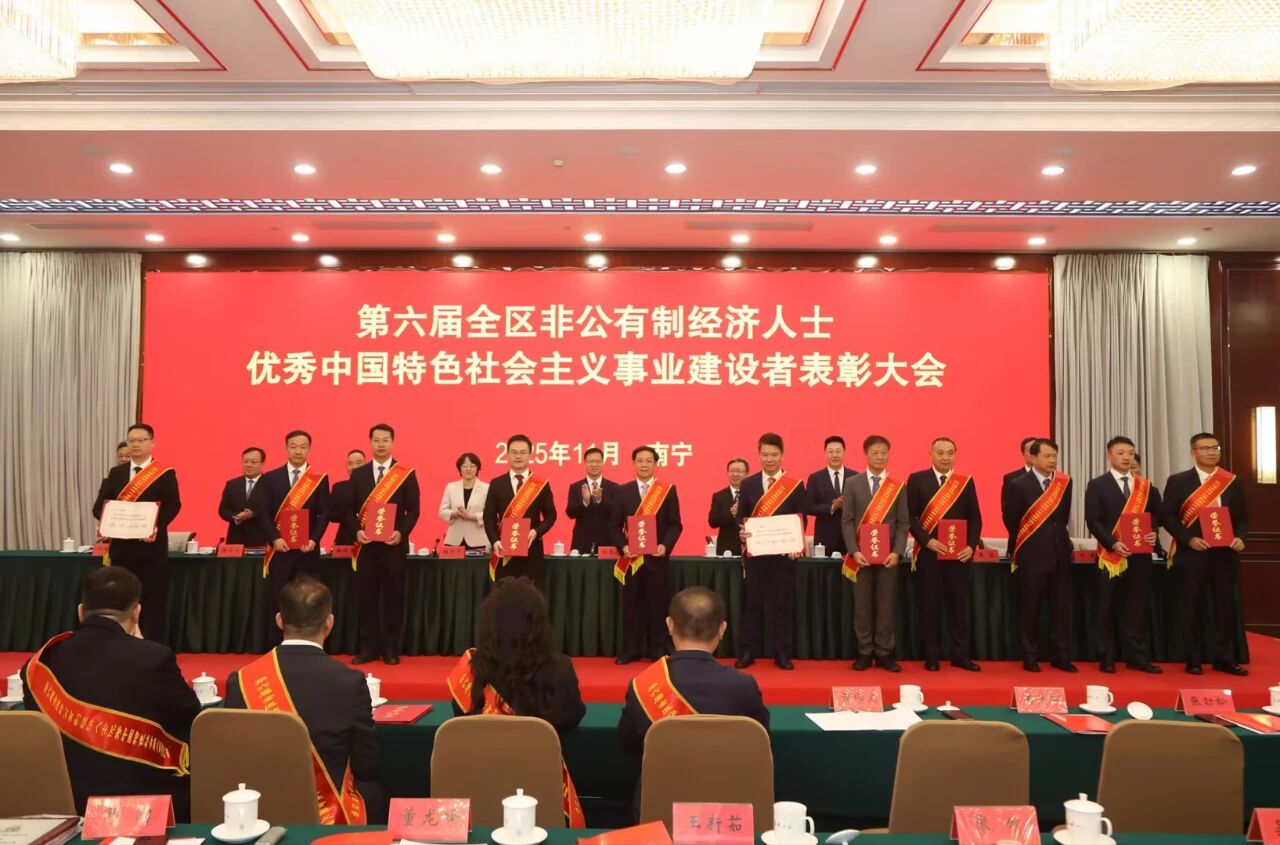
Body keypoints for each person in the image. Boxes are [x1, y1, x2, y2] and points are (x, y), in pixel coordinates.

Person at [22, 568, 200, 818]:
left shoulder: (40, 664)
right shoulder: (153, 657)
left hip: (63, 809)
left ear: (81, 611)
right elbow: (191, 717)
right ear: (136, 612)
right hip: (142, 810)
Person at [225, 577, 381, 824]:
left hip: (260, 806)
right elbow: (367, 763)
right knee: (374, 791)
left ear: (279, 620)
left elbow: (235, 757)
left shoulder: (241, 680)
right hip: (330, 810)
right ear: (330, 622)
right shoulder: (349, 681)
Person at [446, 577, 585, 827]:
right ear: (539, 624)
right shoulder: (560, 669)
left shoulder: (473, 671)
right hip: (544, 793)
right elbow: (572, 717)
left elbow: (461, 718)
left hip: (480, 792)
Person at [617, 586, 769, 756]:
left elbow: (628, 745)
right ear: (722, 629)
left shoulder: (642, 685)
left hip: (664, 773)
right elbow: (761, 742)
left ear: (669, 625)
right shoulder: (744, 686)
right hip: (726, 773)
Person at [1162, 432, 1249, 676]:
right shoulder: (1179, 481)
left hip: (1225, 554)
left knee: (1225, 607)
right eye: (1205, 448)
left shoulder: (1231, 481)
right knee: (1192, 607)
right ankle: (1193, 659)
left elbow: (1242, 517)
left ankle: (1225, 659)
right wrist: (1189, 539)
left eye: (1215, 448)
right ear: (1193, 452)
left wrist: (1240, 537)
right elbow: (1168, 517)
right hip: (1193, 554)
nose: (1211, 452)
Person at [92, 423, 181, 642]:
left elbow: (173, 505)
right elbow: (100, 506)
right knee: (120, 596)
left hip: (151, 548)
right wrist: (106, 523)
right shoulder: (116, 473)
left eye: (141, 440)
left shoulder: (164, 474)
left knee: (152, 597)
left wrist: (155, 526)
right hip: (121, 549)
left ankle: (151, 643)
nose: (136, 444)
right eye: (132, 440)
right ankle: (119, 640)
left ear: (152, 443)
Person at [342, 424, 420, 665]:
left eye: (385, 440)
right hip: (366, 546)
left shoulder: (405, 474)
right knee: (367, 597)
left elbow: (413, 511)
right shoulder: (359, 474)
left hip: (393, 546)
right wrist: (356, 531)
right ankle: (368, 647)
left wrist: (400, 533)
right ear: (370, 442)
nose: (381, 444)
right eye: (376, 440)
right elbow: (348, 510)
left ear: (393, 442)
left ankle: (390, 648)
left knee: (393, 597)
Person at [1085, 436, 1162, 674]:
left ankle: (1137, 656)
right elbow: (1093, 520)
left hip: (1140, 556)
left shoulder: (1146, 487)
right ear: (1109, 456)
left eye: (1130, 453)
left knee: (1136, 607)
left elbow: (1157, 514)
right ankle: (1106, 656)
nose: (1126, 457)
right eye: (1120, 453)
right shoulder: (1097, 485)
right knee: (1106, 607)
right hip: (1111, 557)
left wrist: (1152, 532)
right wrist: (1112, 543)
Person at [907, 437, 982, 672]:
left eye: (950, 452)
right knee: (930, 607)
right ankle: (932, 656)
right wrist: (927, 541)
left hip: (959, 556)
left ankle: (961, 656)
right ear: (930, 454)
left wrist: (971, 546)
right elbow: (910, 517)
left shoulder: (965, 482)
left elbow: (975, 518)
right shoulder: (917, 479)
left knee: (960, 608)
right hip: (929, 555)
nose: (945, 457)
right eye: (940, 452)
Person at [253, 430, 331, 648]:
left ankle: (310, 642)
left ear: (309, 449)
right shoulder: (270, 478)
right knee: (278, 596)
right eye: (294, 446)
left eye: (303, 447)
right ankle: (275, 643)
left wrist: (314, 539)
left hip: (308, 550)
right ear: (286, 448)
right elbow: (264, 513)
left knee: (310, 597)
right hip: (281, 550)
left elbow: (324, 513)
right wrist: (274, 538)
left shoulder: (318, 479)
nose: (298, 451)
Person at [735, 432, 807, 670]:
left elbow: (802, 519)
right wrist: (742, 532)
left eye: (774, 455)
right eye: (765, 454)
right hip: (756, 556)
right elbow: (740, 517)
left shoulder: (795, 486)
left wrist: (796, 544)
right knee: (752, 605)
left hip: (784, 557)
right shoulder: (748, 484)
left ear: (782, 455)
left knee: (782, 605)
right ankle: (748, 652)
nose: (769, 459)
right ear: (759, 455)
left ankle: (782, 654)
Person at [1003, 438, 1075, 673]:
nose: (1052, 460)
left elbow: (1062, 518)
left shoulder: (1064, 482)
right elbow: (1011, 520)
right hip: (1031, 553)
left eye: (1054, 456)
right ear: (1033, 457)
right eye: (1047, 456)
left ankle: (1060, 655)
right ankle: (1030, 656)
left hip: (1060, 552)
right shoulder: (1018, 484)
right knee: (1030, 607)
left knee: (1061, 608)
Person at [841, 435, 910, 673]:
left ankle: (884, 653)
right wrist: (854, 551)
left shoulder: (897, 487)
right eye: (875, 453)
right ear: (866, 455)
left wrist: (897, 552)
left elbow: (903, 523)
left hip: (888, 558)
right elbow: (847, 521)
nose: (879, 457)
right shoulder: (853, 483)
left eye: (883, 453)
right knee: (862, 607)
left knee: (885, 606)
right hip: (861, 557)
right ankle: (864, 652)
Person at [615, 445, 684, 664]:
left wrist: (665, 545)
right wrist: (623, 546)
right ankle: (630, 650)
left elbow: (675, 524)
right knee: (631, 606)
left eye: (648, 461)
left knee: (658, 605)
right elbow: (613, 525)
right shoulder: (622, 491)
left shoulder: (667, 490)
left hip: (657, 559)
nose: (644, 465)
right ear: (634, 463)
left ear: (656, 464)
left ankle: (658, 648)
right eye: (640, 460)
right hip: (632, 560)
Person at [483, 434, 557, 589]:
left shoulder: (540, 484)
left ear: (530, 455)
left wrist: (536, 532)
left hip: (532, 550)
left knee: (531, 595)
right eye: (514, 452)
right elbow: (488, 517)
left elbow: (551, 515)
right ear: (507, 455)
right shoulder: (496, 483)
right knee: (503, 594)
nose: (518, 456)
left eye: (522, 452)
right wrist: (495, 541)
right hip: (503, 551)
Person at [565, 447, 621, 554]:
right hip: (582, 541)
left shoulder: (614, 487)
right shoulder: (576, 487)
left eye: (597, 461)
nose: (594, 465)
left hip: (607, 541)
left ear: (602, 463)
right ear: (585, 463)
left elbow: (617, 513)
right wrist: (585, 502)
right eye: (590, 462)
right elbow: (570, 513)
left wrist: (601, 500)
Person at [806, 435, 851, 556]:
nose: (834, 455)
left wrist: (847, 504)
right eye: (830, 452)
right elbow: (808, 506)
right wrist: (832, 507)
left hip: (850, 538)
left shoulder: (855, 477)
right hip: (824, 538)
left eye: (838, 451)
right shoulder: (815, 478)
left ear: (844, 453)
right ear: (825, 454)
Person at [218, 446, 270, 547]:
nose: (248, 465)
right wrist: (236, 517)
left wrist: (253, 514)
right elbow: (223, 510)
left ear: (262, 463)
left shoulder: (270, 484)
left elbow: (275, 510)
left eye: (253, 462)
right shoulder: (232, 484)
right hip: (236, 539)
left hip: (262, 538)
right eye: (245, 462)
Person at [438, 452, 490, 550]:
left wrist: (471, 516)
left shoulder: (486, 488)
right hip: (454, 540)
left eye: (472, 466)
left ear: (478, 468)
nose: (468, 469)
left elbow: (490, 515)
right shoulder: (451, 487)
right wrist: (456, 513)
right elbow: (442, 512)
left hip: (478, 541)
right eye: (465, 466)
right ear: (460, 468)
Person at [999, 436, 1040, 553]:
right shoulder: (1012, 479)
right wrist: (1022, 533)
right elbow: (1007, 513)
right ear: (1023, 453)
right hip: (1020, 539)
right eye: (1030, 450)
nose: (1034, 453)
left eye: (1037, 450)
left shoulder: (1052, 479)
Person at [707, 458, 748, 556]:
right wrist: (731, 515)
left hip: (750, 546)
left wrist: (741, 512)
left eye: (739, 471)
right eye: (732, 471)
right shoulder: (719, 496)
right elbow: (712, 522)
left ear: (746, 473)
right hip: (726, 548)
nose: (735, 474)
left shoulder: (753, 494)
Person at [329, 449, 366, 547]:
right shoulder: (339, 487)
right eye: (350, 464)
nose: (354, 467)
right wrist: (349, 514)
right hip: (345, 539)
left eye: (359, 463)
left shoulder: (375, 487)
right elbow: (332, 515)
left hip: (370, 539)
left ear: (366, 465)